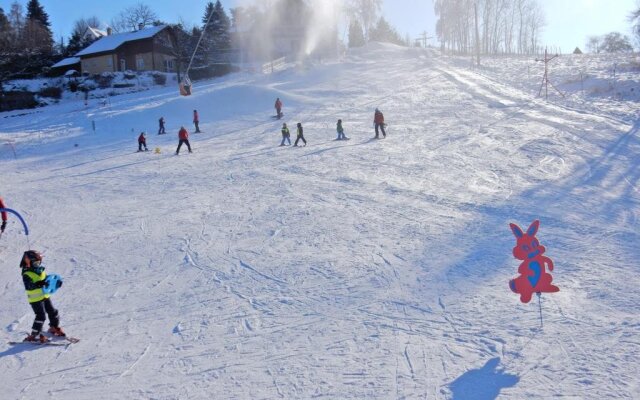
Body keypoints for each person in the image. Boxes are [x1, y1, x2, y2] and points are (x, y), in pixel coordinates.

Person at [20, 250, 66, 342]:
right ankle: (34, 335)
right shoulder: (27, 274)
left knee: (53, 312)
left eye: (39, 262)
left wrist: (56, 283)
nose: (38, 264)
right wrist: (38, 284)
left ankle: (54, 327)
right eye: (36, 263)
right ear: (29, 262)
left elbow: (47, 280)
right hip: (35, 298)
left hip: (45, 295)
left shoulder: (40, 269)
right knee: (41, 316)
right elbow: (28, 286)